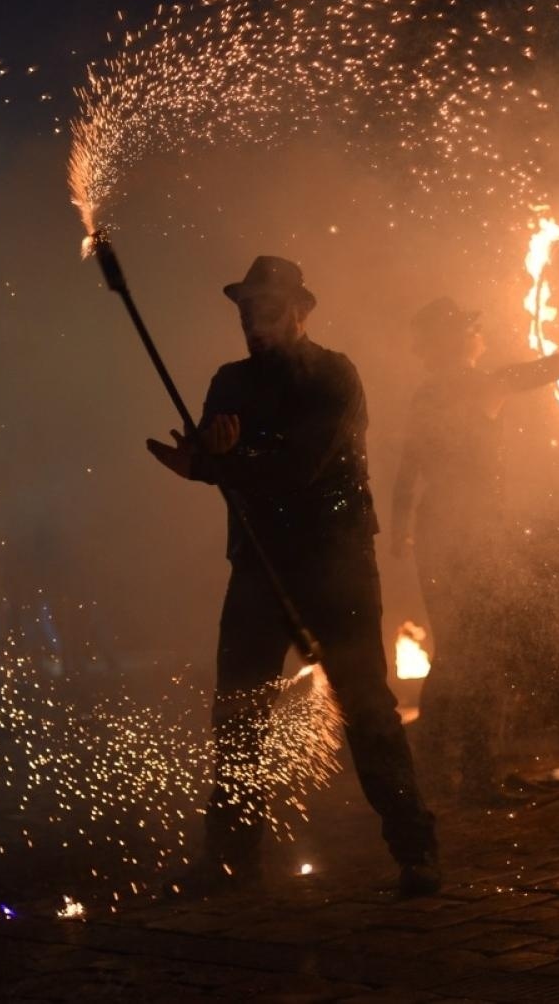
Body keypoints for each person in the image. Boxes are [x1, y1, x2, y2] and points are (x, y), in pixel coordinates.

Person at [146, 255, 440, 897]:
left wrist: (222, 461)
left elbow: (299, 467)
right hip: (258, 562)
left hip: (335, 564)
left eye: (268, 311)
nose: (255, 323)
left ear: (300, 312)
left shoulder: (334, 376)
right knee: (238, 712)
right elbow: (217, 459)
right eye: (247, 311)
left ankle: (416, 848)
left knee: (365, 706)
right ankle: (230, 861)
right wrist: (198, 460)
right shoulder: (230, 381)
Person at [392, 286, 559, 801]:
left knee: (463, 650)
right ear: (459, 341)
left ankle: (445, 772)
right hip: (469, 537)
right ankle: (452, 774)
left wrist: (400, 531)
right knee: (469, 652)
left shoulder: (428, 396)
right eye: (471, 328)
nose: (480, 334)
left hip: (442, 534)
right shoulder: (484, 384)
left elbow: (408, 472)